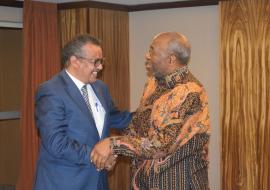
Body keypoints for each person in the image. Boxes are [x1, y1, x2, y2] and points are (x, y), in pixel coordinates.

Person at [90, 32, 211, 189]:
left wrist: (114, 144)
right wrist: (114, 153)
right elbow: (139, 126)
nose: (147, 55)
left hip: (178, 182)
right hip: (145, 181)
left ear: (171, 59)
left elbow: (163, 144)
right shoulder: (153, 83)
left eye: (152, 51)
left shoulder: (189, 91)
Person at [33, 34, 132, 190]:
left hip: (98, 182)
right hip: (65, 183)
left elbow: (116, 118)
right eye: (95, 62)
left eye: (101, 61)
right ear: (75, 61)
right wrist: (98, 155)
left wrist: (152, 113)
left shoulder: (100, 88)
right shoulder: (51, 91)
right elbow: (55, 142)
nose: (100, 67)